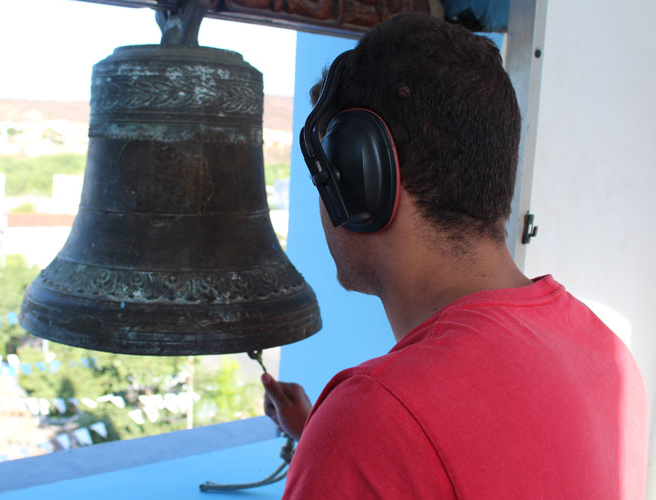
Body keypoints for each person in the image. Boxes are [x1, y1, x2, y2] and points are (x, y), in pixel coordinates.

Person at [261, 13, 648, 499]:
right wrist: (326, 445)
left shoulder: (375, 419)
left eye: (329, 178)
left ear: (364, 183)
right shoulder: (606, 356)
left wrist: (344, 445)